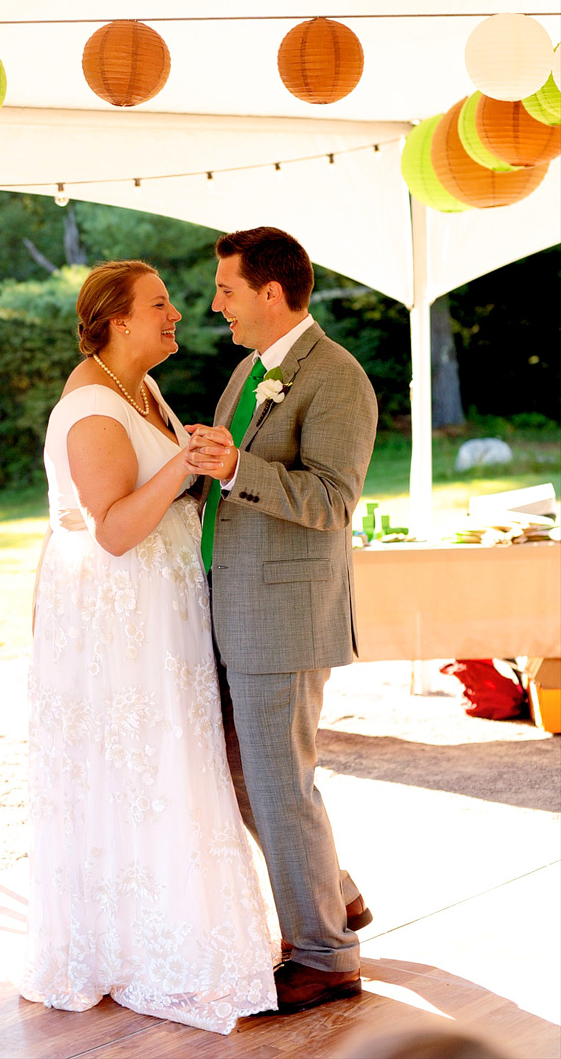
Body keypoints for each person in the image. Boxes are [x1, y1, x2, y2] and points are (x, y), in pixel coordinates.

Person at [20, 260, 277, 1034]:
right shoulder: (93, 405)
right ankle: (135, 951)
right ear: (117, 321)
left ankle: (178, 934)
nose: (177, 314)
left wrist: (197, 462)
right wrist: (183, 465)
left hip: (159, 615)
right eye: (159, 304)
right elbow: (116, 531)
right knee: (140, 765)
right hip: (120, 620)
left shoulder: (141, 389)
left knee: (173, 761)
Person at [187, 226, 378, 1015]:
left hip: (284, 616)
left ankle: (326, 955)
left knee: (277, 786)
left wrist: (239, 469)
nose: (215, 303)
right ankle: (337, 896)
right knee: (249, 780)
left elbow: (333, 501)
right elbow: (221, 486)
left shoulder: (337, 378)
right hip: (235, 608)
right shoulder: (250, 371)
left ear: (272, 293)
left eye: (227, 288)